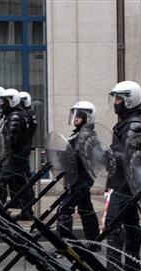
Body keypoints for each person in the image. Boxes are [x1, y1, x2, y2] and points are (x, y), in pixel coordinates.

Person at [105, 80, 141, 271]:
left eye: (120, 98)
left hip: (126, 183)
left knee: (112, 223)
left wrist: (108, 153)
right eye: (115, 98)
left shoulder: (134, 124)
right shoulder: (125, 122)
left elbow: (128, 152)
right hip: (124, 181)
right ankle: (132, 265)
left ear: (130, 101)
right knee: (131, 223)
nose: (116, 102)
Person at [57, 101, 100, 248]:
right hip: (76, 178)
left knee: (64, 209)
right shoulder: (78, 134)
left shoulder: (87, 136)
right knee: (85, 208)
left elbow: (77, 156)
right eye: (76, 115)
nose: (76, 118)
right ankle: (94, 242)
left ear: (88, 118)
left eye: (80, 116)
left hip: (81, 179)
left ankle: (65, 247)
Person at [0, 88, 35, 218]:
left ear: (12, 101)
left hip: (14, 156)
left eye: (4, 101)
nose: (2, 104)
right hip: (21, 155)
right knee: (23, 184)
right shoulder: (22, 114)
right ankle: (27, 212)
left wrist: (3, 149)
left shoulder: (15, 116)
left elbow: (11, 138)